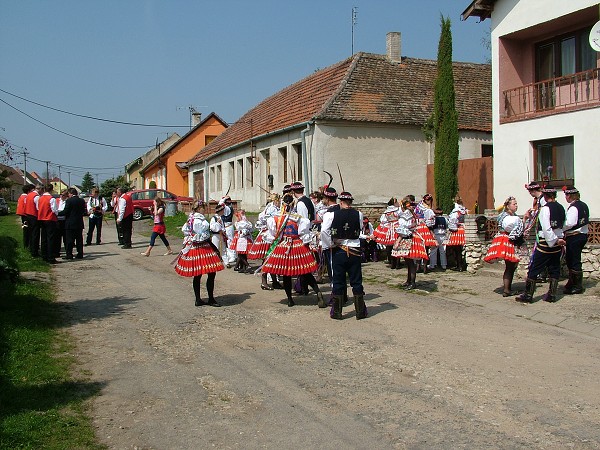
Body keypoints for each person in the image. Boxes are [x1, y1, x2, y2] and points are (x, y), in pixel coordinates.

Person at [261, 194, 323, 308]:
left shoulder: (276, 219)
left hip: (284, 246)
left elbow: (274, 235)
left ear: (282, 204)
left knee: (286, 274)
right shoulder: (299, 218)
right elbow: (304, 234)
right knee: (305, 271)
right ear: (293, 204)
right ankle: (318, 292)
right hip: (298, 245)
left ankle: (290, 299)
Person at [321, 191, 367, 320]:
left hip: (339, 250)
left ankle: (337, 312)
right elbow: (359, 229)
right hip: (355, 251)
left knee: (338, 280)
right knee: (356, 280)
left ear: (341, 202)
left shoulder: (331, 215)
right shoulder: (359, 214)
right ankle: (360, 312)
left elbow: (324, 231)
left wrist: (330, 244)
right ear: (350, 202)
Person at [516, 186, 566, 303]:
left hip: (546, 242)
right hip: (557, 242)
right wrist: (559, 239)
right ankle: (552, 295)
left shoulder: (545, 209)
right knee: (554, 268)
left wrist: (553, 240)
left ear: (546, 196)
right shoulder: (561, 207)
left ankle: (528, 295)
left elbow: (546, 228)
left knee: (534, 268)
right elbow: (563, 225)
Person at [174, 200, 224, 307]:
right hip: (201, 247)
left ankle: (199, 299)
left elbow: (186, 230)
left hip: (199, 247)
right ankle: (209, 298)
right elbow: (200, 234)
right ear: (199, 208)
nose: (205, 210)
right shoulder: (198, 220)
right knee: (209, 272)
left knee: (200, 274)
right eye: (204, 208)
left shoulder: (192, 218)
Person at [483, 196, 524, 297]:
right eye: (514, 204)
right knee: (510, 265)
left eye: (516, 204)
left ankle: (507, 288)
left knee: (511, 266)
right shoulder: (505, 216)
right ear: (508, 206)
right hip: (506, 239)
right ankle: (507, 289)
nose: (516, 206)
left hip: (505, 238)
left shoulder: (511, 215)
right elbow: (510, 227)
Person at [392, 197, 428, 290]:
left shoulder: (406, 215)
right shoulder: (411, 214)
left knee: (410, 262)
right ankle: (409, 281)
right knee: (409, 262)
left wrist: (398, 240)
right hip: (410, 237)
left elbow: (404, 230)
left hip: (408, 239)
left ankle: (412, 282)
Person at [249, 193, 282, 290]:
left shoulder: (274, 208)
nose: (279, 202)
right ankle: (264, 281)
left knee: (272, 259)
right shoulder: (271, 208)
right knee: (267, 258)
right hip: (269, 235)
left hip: (272, 234)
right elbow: (269, 221)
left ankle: (274, 281)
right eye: (278, 200)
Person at [562, 186, 589, 295]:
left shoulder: (573, 207)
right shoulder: (583, 205)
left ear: (569, 195)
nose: (565, 198)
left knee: (573, 260)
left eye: (566, 195)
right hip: (582, 235)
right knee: (572, 259)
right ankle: (572, 282)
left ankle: (577, 286)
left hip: (575, 236)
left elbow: (570, 223)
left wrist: (560, 227)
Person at [58, 188, 86, 260]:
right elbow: (83, 211)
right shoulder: (81, 201)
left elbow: (66, 211)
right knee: (79, 239)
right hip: (79, 222)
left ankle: (69, 254)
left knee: (69, 240)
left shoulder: (69, 201)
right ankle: (80, 253)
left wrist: (57, 213)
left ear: (71, 193)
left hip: (70, 223)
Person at [373, 197, 401, 269]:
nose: (398, 203)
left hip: (389, 228)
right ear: (394, 203)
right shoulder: (398, 210)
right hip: (397, 228)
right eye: (396, 202)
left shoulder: (387, 211)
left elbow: (383, 220)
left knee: (389, 245)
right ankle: (397, 263)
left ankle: (392, 262)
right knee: (397, 245)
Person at [413, 193, 437, 273]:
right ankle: (424, 268)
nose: (429, 201)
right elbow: (430, 223)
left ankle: (418, 267)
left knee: (419, 247)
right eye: (428, 200)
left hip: (418, 228)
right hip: (425, 229)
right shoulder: (428, 210)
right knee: (425, 248)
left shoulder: (417, 207)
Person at [37, 184, 59, 264]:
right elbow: (54, 210)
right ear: (51, 190)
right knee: (51, 239)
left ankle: (44, 256)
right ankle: (51, 257)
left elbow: (38, 208)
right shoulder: (51, 198)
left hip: (41, 219)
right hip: (50, 219)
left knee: (43, 238)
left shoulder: (40, 198)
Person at [447, 195, 467, 271]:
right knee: (459, 249)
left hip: (457, 230)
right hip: (462, 230)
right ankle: (460, 265)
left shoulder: (455, 211)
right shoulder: (463, 210)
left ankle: (459, 266)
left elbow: (452, 221)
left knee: (457, 249)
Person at [218, 195, 236, 268]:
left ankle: (233, 255)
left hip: (228, 226)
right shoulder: (226, 208)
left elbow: (220, 204)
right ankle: (229, 254)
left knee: (230, 241)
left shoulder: (228, 208)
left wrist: (223, 198)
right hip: (225, 227)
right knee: (226, 241)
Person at [25, 184, 42, 257]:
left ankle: (31, 248)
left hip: (28, 215)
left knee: (31, 233)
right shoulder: (36, 197)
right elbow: (39, 208)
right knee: (35, 234)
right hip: (34, 216)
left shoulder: (29, 195)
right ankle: (35, 252)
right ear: (40, 189)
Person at [17, 184, 32, 248]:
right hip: (26, 215)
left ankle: (26, 244)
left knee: (25, 228)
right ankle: (27, 244)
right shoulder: (26, 197)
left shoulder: (21, 197)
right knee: (27, 230)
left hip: (22, 215)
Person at [55, 189, 69, 258]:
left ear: (66, 196)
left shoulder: (67, 202)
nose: (62, 196)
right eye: (61, 194)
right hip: (58, 221)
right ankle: (57, 252)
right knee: (57, 238)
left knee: (66, 238)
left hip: (65, 220)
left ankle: (67, 252)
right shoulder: (57, 200)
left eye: (63, 195)